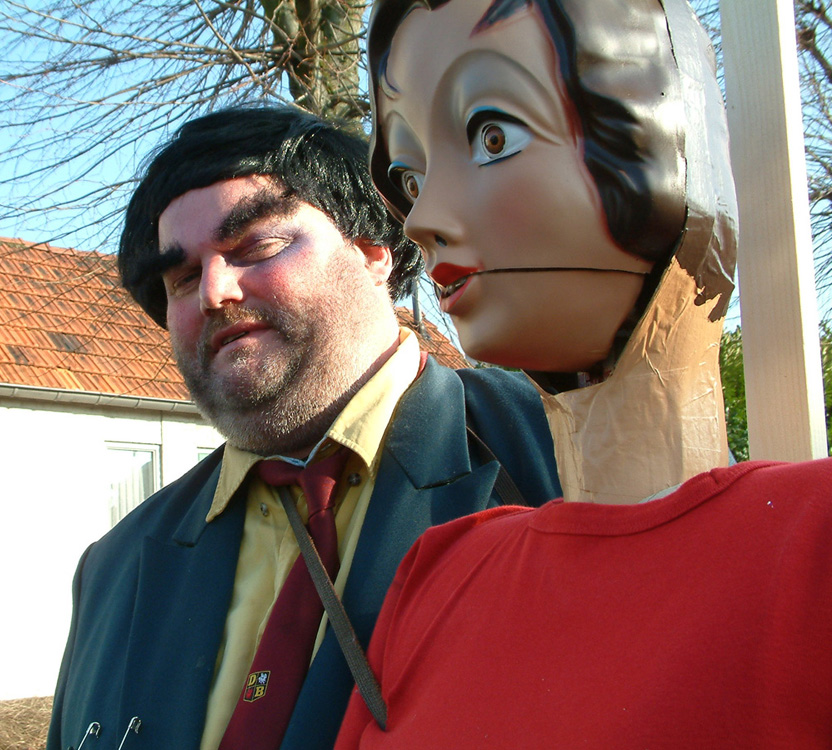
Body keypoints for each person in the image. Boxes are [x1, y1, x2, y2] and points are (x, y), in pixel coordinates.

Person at [335, 0, 832, 746]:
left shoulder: (813, 543)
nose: (421, 217)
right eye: (409, 177)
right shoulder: (435, 582)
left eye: (492, 135)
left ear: (667, 142)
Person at [46, 105, 561, 750]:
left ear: (373, 249)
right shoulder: (112, 572)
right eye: (181, 277)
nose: (213, 292)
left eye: (257, 246)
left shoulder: (562, 450)